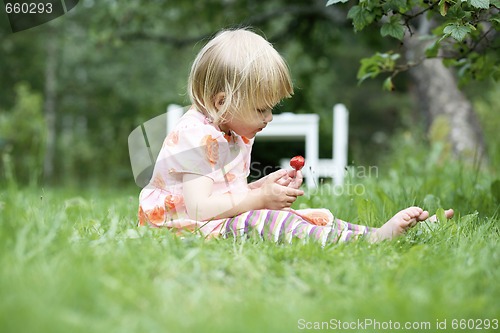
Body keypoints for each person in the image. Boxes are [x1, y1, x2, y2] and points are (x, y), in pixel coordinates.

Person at [138, 28, 453, 245]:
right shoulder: (197, 136)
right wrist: (259, 199)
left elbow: (222, 193)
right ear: (222, 102)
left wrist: (263, 186)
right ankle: (372, 240)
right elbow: (197, 209)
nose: (269, 117)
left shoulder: (230, 130)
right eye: (261, 109)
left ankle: (376, 234)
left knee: (305, 217)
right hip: (184, 230)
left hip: (211, 220)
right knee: (275, 223)